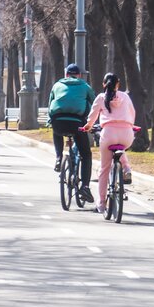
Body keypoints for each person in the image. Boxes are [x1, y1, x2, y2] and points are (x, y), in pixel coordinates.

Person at [83, 73, 136, 212]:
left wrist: (87, 126)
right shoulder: (125, 96)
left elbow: (92, 116)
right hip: (127, 135)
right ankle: (126, 168)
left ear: (103, 84)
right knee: (122, 148)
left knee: (104, 169)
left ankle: (101, 204)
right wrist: (130, 124)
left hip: (108, 135)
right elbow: (132, 113)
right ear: (118, 84)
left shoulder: (101, 98)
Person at [49, 63, 95, 203]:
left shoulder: (57, 85)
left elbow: (51, 103)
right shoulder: (85, 86)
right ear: (79, 75)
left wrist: (49, 121)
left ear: (66, 75)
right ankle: (85, 187)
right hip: (77, 123)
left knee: (56, 128)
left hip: (59, 122)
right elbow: (94, 104)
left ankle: (58, 157)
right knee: (86, 154)